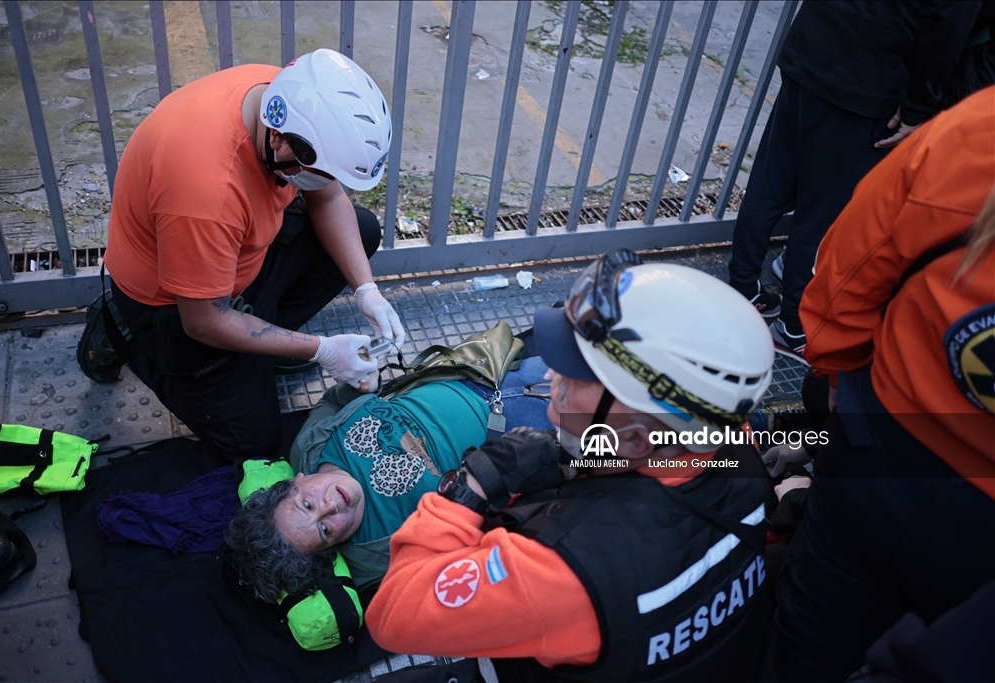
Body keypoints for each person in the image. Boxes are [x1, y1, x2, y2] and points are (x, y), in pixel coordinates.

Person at [366, 251, 778, 682]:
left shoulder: (559, 566)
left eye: (576, 376)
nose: (549, 378)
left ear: (635, 436)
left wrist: (469, 487)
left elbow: (393, 613)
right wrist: (578, 454)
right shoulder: (733, 439)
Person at [772, 86, 995, 682]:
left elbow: (845, 275)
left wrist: (836, 376)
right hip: (977, 539)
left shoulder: (972, 135)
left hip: (881, 448)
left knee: (812, 633)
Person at [102, 49, 404, 461]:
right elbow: (205, 321)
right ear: (278, 138)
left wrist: (367, 290)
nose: (326, 183)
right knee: (255, 445)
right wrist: (321, 350)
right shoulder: (204, 189)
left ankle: (253, 349)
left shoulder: (281, 98)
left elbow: (328, 197)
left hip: (237, 260)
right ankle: (123, 334)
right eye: (319, 171)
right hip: (175, 307)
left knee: (362, 230)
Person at [727, 1, 982, 363]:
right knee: (822, 216)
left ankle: (741, 289)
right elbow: (945, 30)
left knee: (771, 182)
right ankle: (794, 325)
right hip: (865, 80)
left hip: (812, 48)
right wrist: (917, 107)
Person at [224, 356, 553, 601]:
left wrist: (360, 383)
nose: (329, 506)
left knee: (589, 350)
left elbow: (333, 401)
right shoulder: (376, 556)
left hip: (479, 374)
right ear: (333, 548)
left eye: (307, 503)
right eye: (324, 530)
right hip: (525, 436)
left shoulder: (310, 446)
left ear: (295, 482)